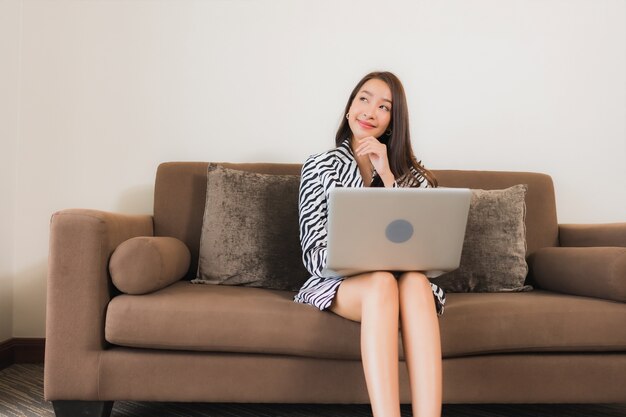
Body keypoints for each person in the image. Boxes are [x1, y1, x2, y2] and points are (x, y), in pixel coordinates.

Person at [294, 71, 445, 417]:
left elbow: (426, 254)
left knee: (417, 282)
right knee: (380, 282)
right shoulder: (319, 168)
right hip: (342, 284)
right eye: (363, 99)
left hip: (406, 283)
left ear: (392, 122)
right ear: (349, 108)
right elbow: (314, 255)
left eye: (383, 106)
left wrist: (388, 178)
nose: (370, 111)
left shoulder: (413, 177)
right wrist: (368, 261)